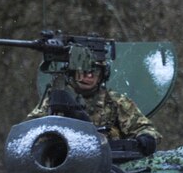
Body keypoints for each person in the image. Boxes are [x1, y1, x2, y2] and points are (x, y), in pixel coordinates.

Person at [26, 58, 161, 155]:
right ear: (73, 73)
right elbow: (29, 133)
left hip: (110, 167)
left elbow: (145, 128)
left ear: (102, 75)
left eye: (94, 72)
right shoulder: (56, 100)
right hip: (64, 165)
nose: (89, 76)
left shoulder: (115, 101)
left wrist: (146, 138)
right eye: (83, 71)